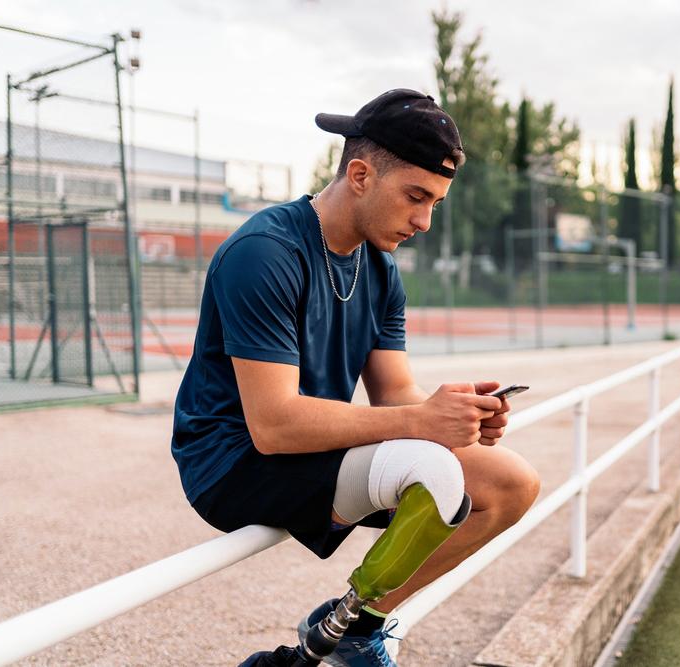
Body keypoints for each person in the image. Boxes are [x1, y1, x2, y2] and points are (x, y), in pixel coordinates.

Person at [171, 89, 541, 667]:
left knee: (512, 484)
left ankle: (354, 625)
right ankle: (328, 642)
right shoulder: (265, 251)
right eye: (416, 197)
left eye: (435, 203)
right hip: (234, 461)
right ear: (361, 175)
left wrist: (456, 415)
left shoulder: (380, 268)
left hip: (316, 447)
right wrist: (422, 424)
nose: (424, 221)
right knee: (435, 471)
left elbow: (394, 394)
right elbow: (273, 424)